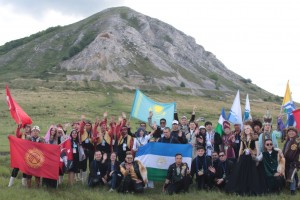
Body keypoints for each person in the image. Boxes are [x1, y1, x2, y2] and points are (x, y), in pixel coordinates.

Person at [225, 124, 265, 195]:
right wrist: (239, 158)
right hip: (244, 157)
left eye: (248, 128)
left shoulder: (254, 138)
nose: (246, 130)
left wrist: (257, 158)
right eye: (245, 129)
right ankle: (241, 188)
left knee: (251, 173)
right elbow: (241, 148)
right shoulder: (242, 138)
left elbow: (257, 148)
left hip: (251, 157)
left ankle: (250, 189)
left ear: (250, 130)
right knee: (241, 172)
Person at [283, 126, 300, 195]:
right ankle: (297, 186)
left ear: (296, 133)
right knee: (293, 175)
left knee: (291, 175)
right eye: (289, 131)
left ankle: (292, 190)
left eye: (293, 131)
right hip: (286, 161)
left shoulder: (298, 140)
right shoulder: (287, 141)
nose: (291, 132)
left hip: (293, 162)